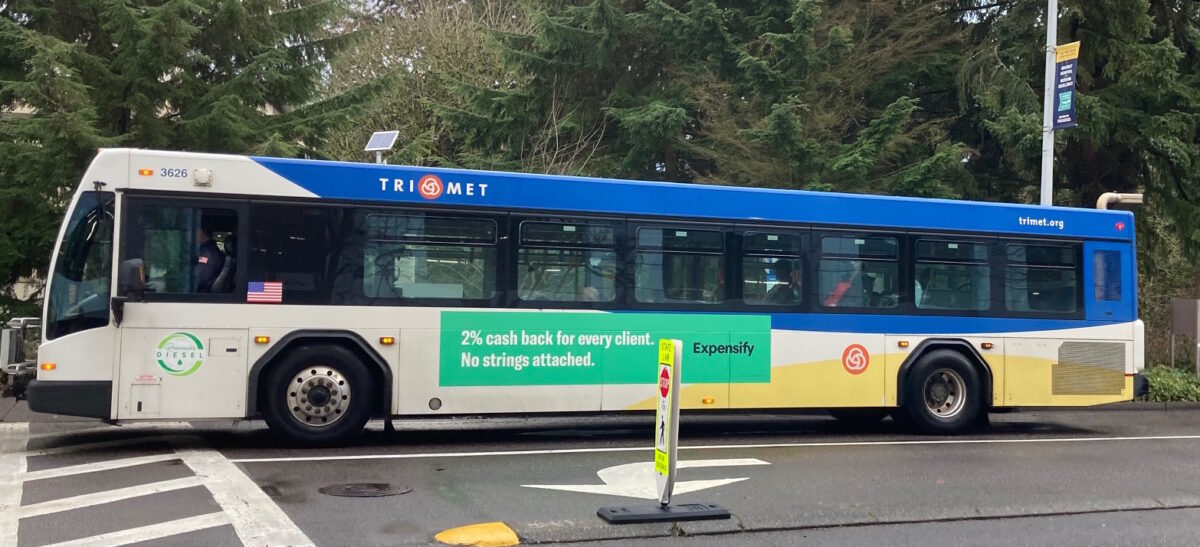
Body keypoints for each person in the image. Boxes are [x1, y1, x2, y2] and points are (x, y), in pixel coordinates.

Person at [194, 225, 224, 292]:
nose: (194, 234)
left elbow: (202, 276)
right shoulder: (209, 249)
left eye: (196, 231)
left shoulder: (207, 252)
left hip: (205, 291)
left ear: (201, 232)